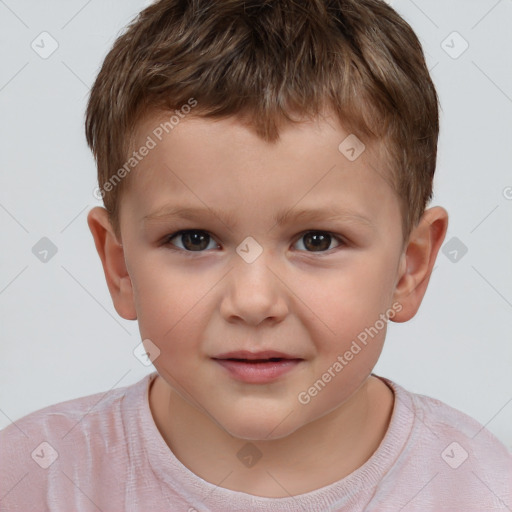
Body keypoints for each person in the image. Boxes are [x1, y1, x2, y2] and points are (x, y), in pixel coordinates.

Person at [1, 0, 511, 510]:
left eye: (317, 240)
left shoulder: (481, 489)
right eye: (194, 239)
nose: (252, 301)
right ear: (120, 267)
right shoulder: (35, 478)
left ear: (410, 267)